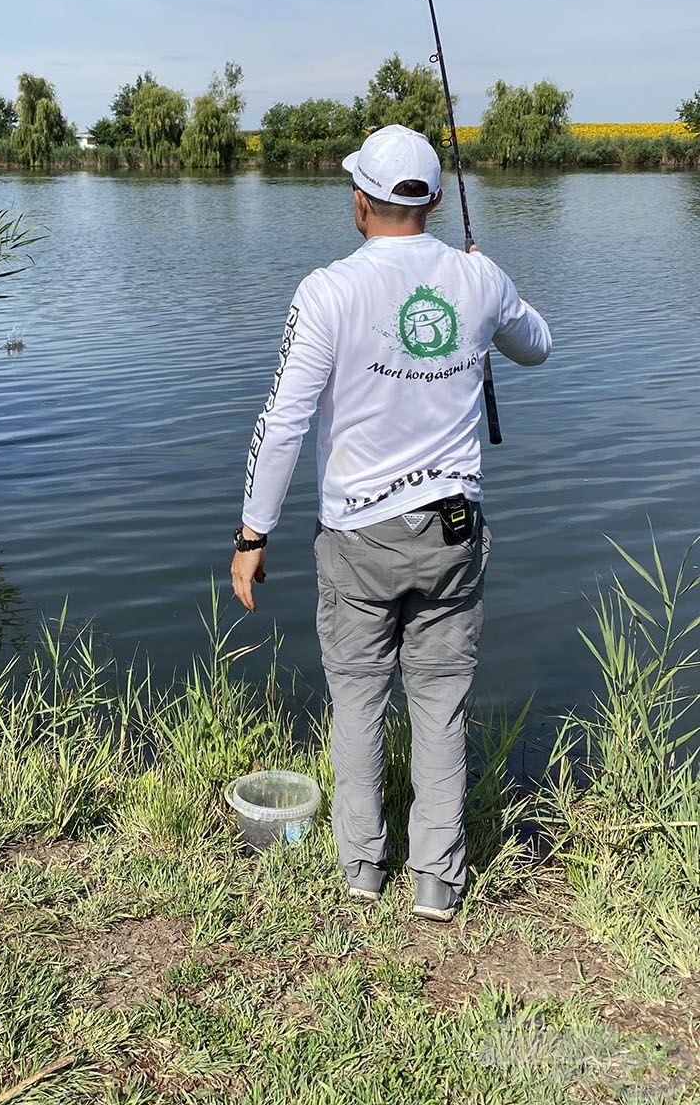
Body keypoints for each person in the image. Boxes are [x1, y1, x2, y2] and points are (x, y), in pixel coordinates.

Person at [231, 123, 551, 922]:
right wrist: (490, 281)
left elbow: (283, 421)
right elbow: (538, 346)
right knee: (440, 703)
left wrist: (252, 533)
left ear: (361, 201)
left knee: (359, 699)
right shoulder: (477, 279)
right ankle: (438, 882)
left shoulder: (327, 290)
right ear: (436, 200)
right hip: (452, 533)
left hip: (358, 540)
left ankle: (363, 869)